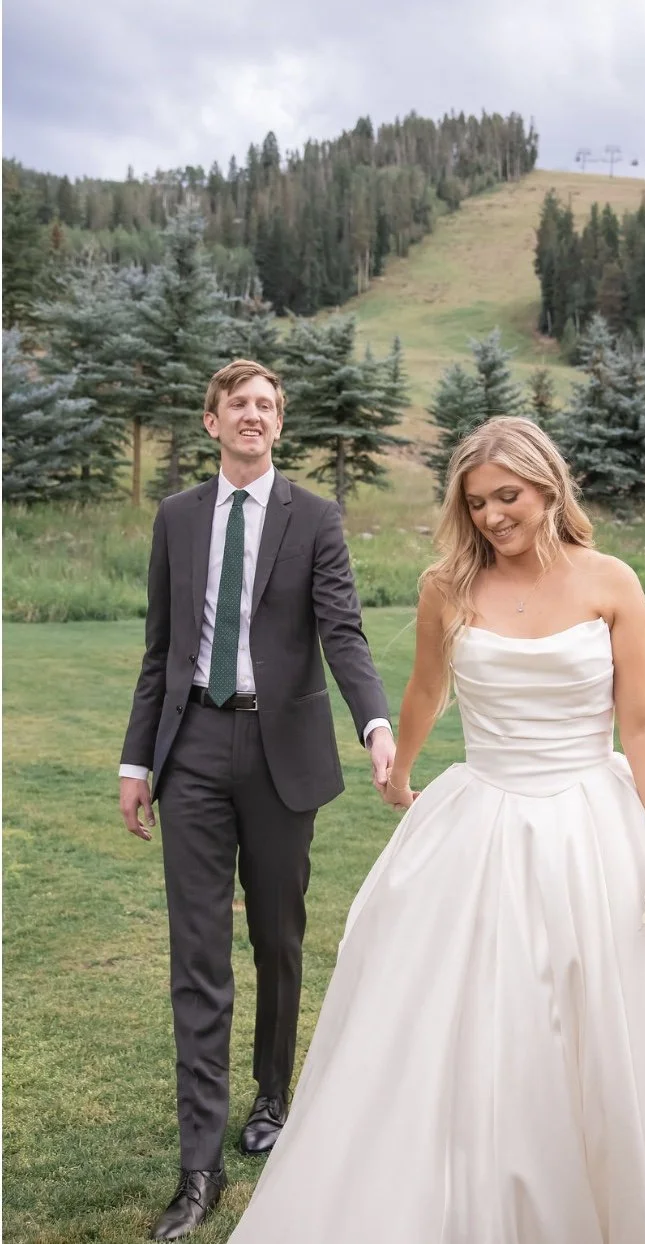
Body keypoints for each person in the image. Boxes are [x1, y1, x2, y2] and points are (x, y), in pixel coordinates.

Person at [228, 415, 645, 1244]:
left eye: (506, 496)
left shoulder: (611, 582)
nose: (492, 517)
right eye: (476, 503)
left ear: (548, 486)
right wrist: (400, 767)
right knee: (468, 1022)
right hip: (484, 820)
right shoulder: (447, 586)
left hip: (596, 821)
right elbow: (426, 692)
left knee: (641, 1026)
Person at [118, 359, 395, 1241]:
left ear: (280, 425)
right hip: (192, 748)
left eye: (268, 406)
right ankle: (198, 1168)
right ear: (211, 423)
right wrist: (136, 762)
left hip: (282, 758)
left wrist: (377, 725)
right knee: (197, 956)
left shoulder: (312, 517)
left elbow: (342, 630)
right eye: (239, 404)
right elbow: (160, 649)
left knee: (276, 936)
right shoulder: (177, 517)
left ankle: (273, 1098)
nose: (254, 416)